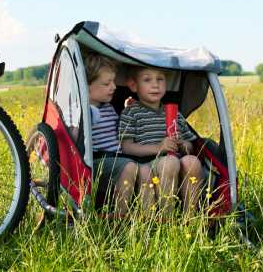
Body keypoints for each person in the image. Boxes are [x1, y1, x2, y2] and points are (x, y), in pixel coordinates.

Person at [119, 66, 204, 214]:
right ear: (134, 85)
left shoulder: (175, 113)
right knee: (169, 163)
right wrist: (159, 147)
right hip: (146, 163)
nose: (155, 84)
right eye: (147, 79)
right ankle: (167, 218)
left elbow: (190, 145)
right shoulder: (131, 112)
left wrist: (183, 145)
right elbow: (126, 147)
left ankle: (191, 216)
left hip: (174, 158)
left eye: (160, 79)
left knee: (192, 162)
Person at [85, 53, 138, 214]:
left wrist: (127, 112)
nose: (114, 87)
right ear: (87, 86)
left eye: (113, 82)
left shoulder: (108, 108)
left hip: (115, 158)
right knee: (129, 167)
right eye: (107, 83)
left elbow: (119, 134)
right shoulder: (81, 111)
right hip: (97, 161)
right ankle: (120, 219)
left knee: (138, 167)